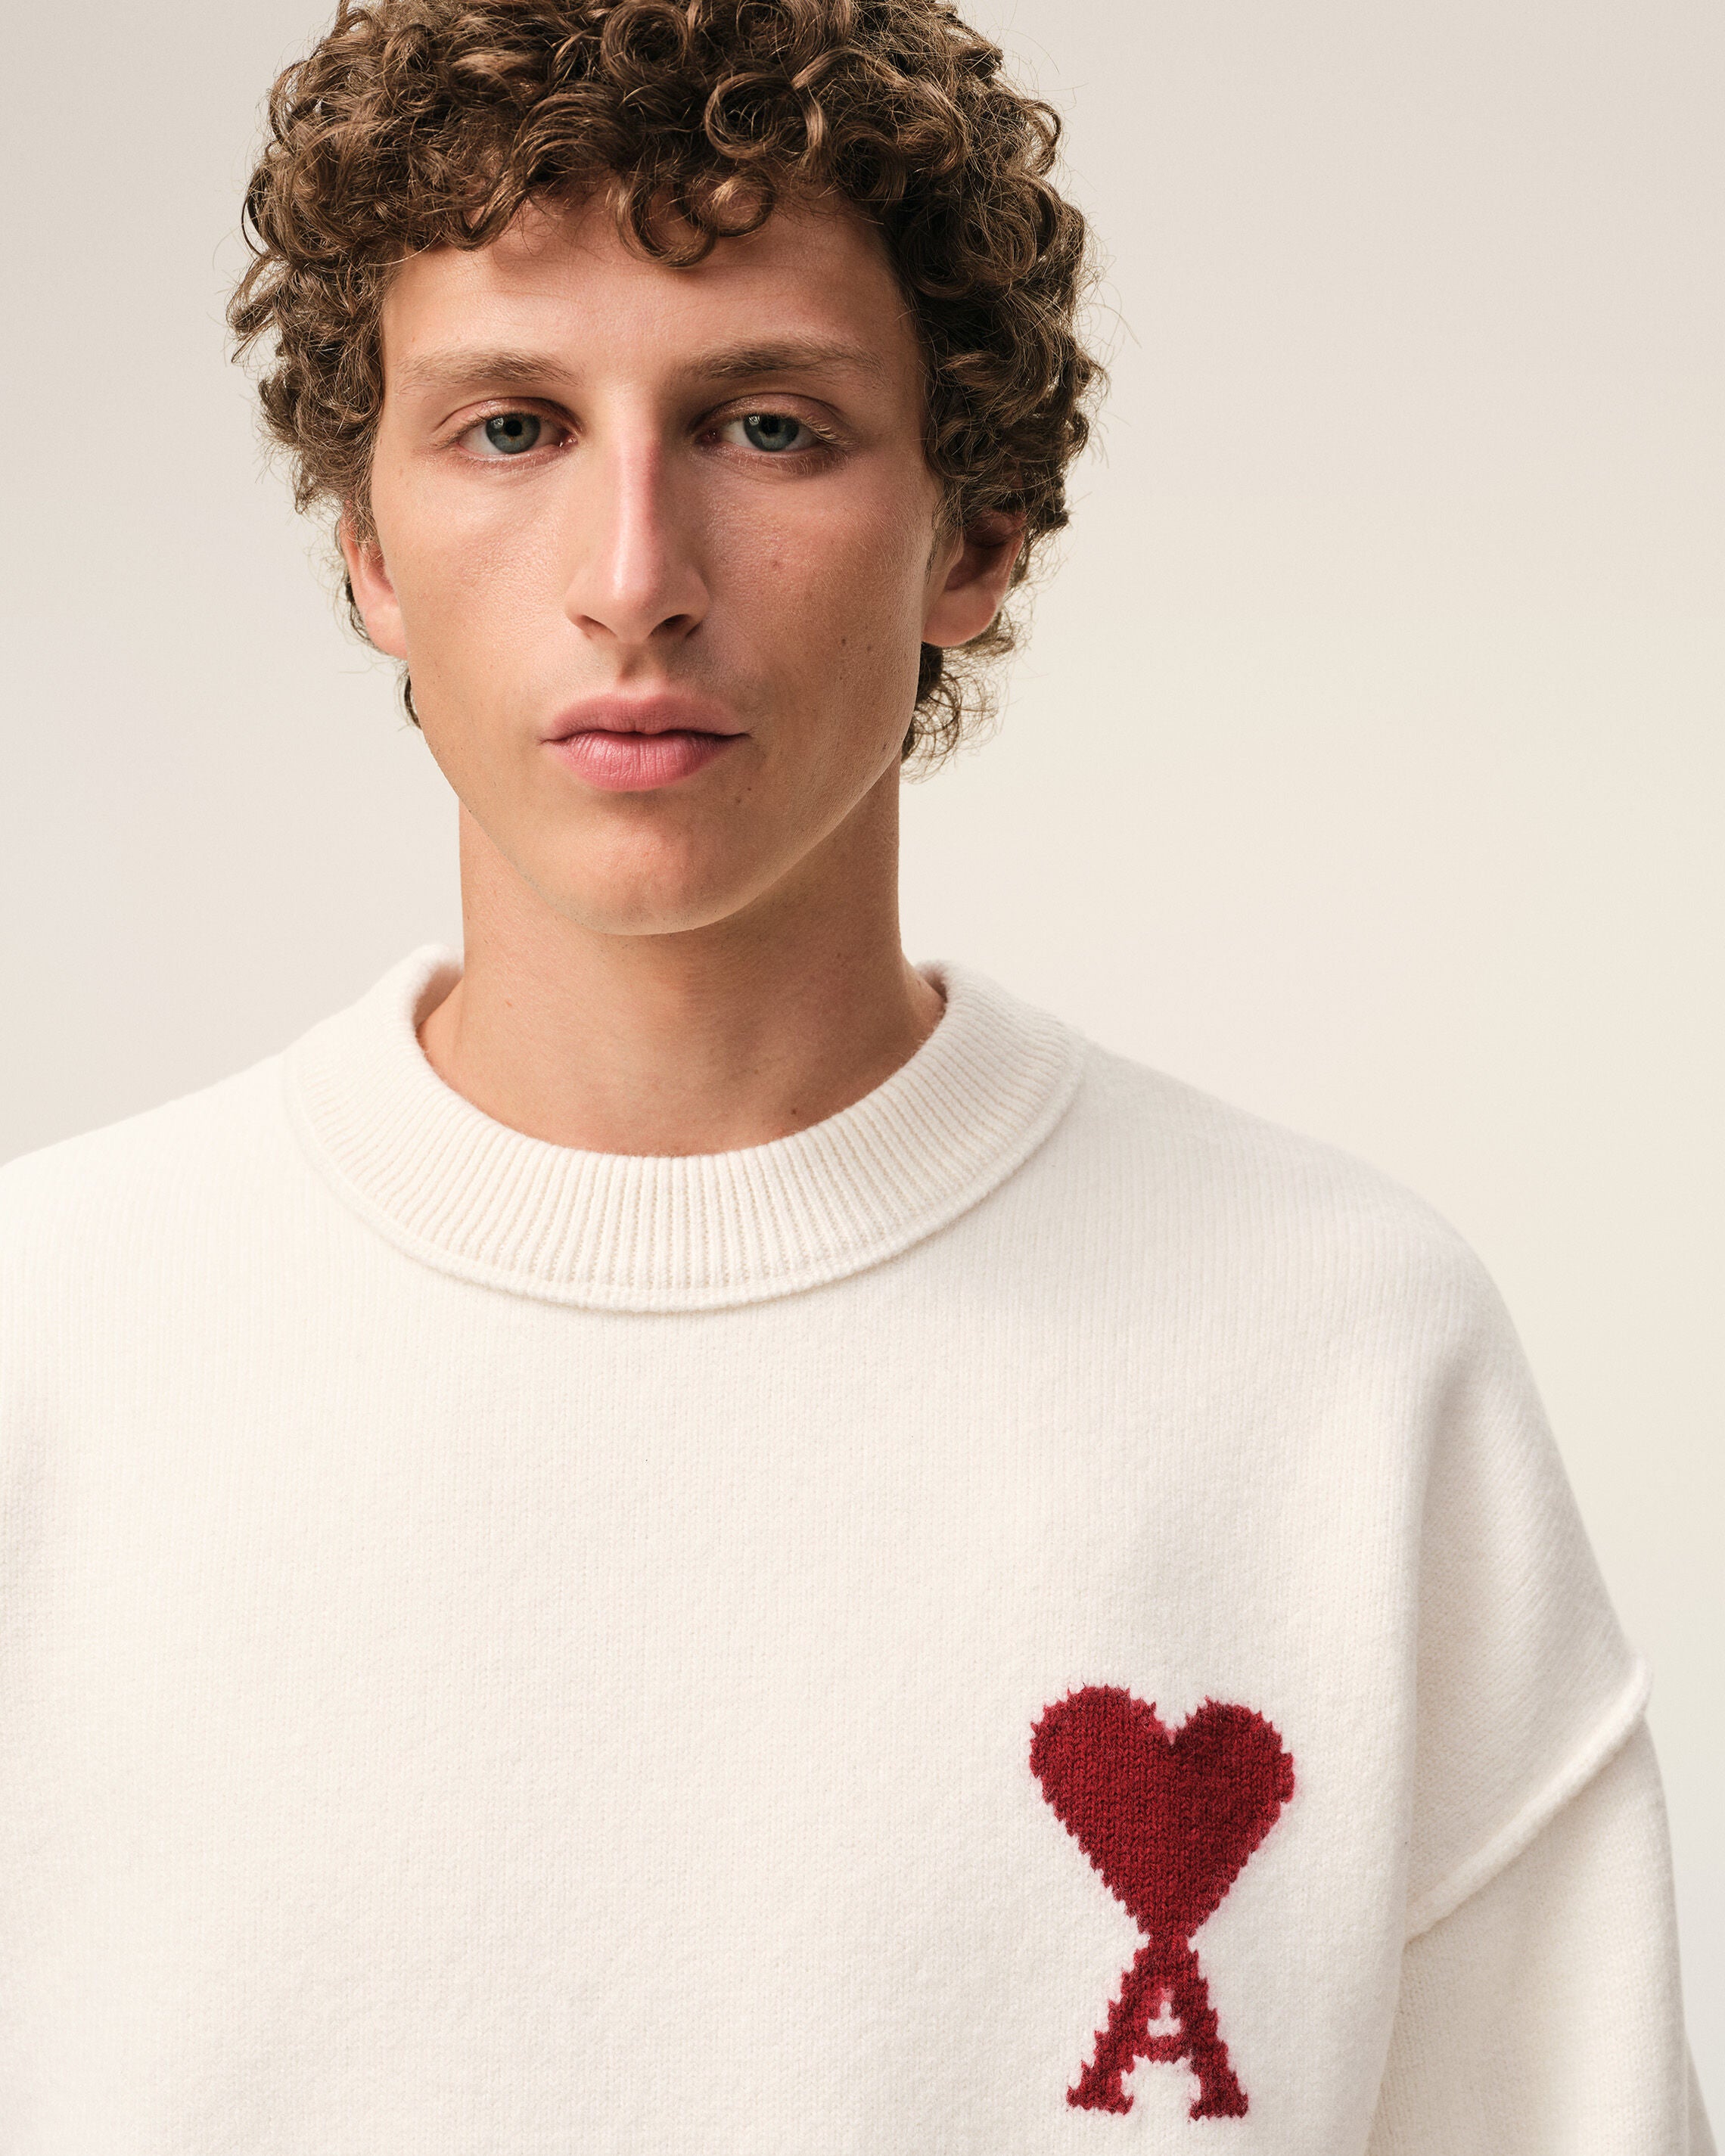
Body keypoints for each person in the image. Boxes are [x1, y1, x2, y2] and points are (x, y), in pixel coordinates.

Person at [0, 1, 1711, 2148]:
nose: (634, 579)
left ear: (974, 535)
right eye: (513, 428)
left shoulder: (1344, 1358)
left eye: (768, 427)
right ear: (366, 544)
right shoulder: (53, 1346)